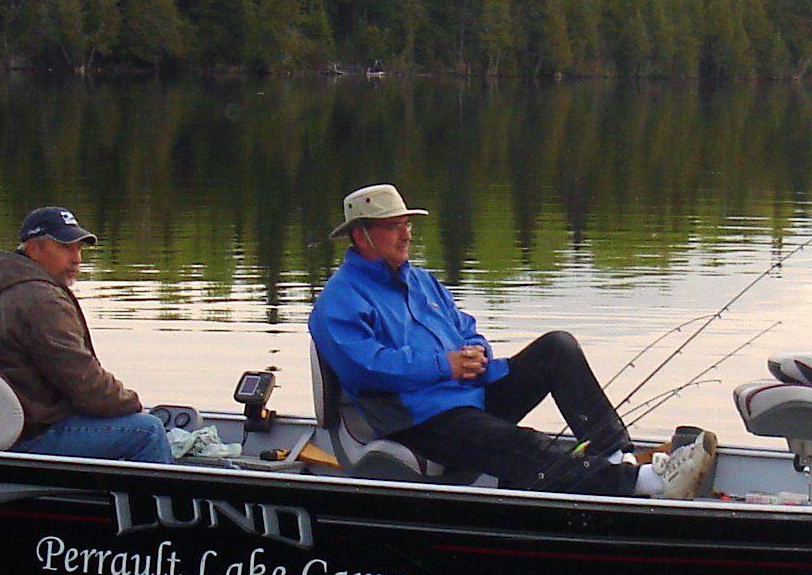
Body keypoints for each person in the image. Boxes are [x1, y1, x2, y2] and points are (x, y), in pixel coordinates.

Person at [307, 183, 716, 498]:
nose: (406, 234)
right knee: (519, 443)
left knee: (558, 348)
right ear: (362, 237)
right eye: (393, 226)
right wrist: (445, 365)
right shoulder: (338, 302)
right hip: (418, 419)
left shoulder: (421, 281)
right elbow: (367, 368)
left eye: (407, 224)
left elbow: (464, 327)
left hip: (470, 394)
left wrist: (476, 354)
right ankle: (645, 483)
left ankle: (614, 456)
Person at [0, 205, 172, 463]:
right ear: (33, 248)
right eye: (65, 247)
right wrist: (133, 405)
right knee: (149, 431)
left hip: (6, 424)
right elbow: (84, 383)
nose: (77, 259)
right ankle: (155, 503)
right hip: (33, 435)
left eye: (79, 248)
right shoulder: (41, 300)